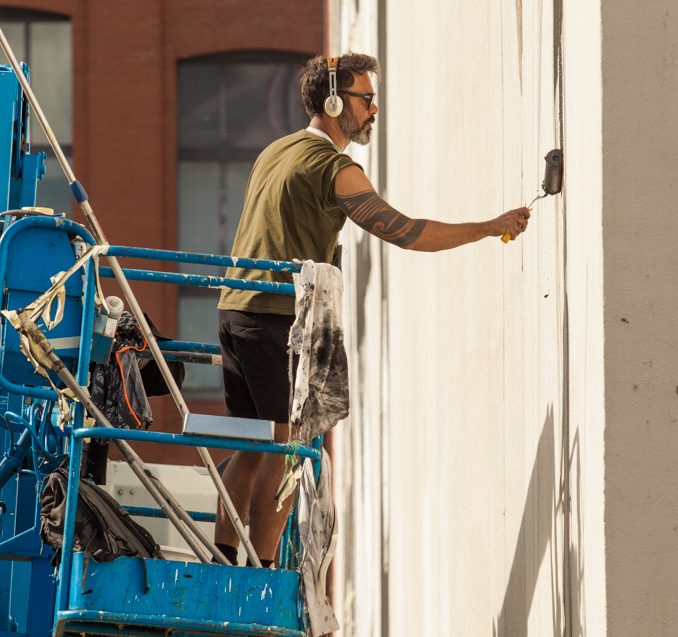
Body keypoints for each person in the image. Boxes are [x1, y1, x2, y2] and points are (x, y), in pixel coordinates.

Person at [212, 53, 531, 567]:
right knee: (289, 447)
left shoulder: (276, 150)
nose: (374, 109)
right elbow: (405, 232)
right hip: (274, 319)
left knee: (253, 443)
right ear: (335, 102)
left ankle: (225, 558)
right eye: (365, 99)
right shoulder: (335, 169)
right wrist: (488, 226)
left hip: (234, 310)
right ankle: (263, 575)